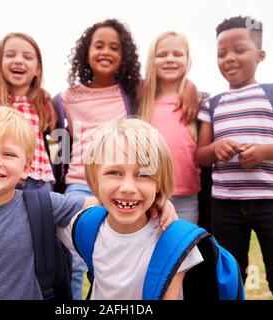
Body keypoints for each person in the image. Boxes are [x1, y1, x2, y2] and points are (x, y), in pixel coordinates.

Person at [0, 107, 176, 300]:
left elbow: (108, 198)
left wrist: (158, 201)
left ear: (26, 167)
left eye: (8, 154)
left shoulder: (42, 205)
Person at [54, 18, 199, 299]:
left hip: (130, 179)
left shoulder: (133, 90)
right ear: (85, 51)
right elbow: (58, 139)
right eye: (99, 46)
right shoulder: (65, 98)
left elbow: (168, 81)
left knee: (144, 249)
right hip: (79, 183)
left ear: (126, 56)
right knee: (75, 261)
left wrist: (189, 85)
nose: (106, 52)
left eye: (115, 47)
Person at [196, 16, 273, 300]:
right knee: (229, 278)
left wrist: (264, 152)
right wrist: (217, 148)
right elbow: (201, 155)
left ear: (260, 55)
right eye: (221, 54)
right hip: (225, 207)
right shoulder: (210, 105)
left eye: (239, 50)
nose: (229, 59)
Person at [56, 118, 203, 299]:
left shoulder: (175, 243)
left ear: (159, 183)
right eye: (114, 173)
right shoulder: (84, 226)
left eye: (143, 174)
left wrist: (159, 199)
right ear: (95, 178)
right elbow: (33, 205)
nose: (128, 187)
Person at [138, 31, 202, 224]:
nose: (170, 59)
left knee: (184, 249)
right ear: (152, 59)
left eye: (177, 54)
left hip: (187, 197)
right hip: (148, 194)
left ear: (188, 59)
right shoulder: (142, 100)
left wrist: (190, 86)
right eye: (162, 55)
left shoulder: (198, 101)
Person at [0, 32, 56, 191]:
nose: (19, 61)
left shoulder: (43, 103)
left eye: (27, 57)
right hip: (1, 174)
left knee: (39, 216)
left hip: (38, 178)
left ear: (37, 69)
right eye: (10, 55)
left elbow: (56, 143)